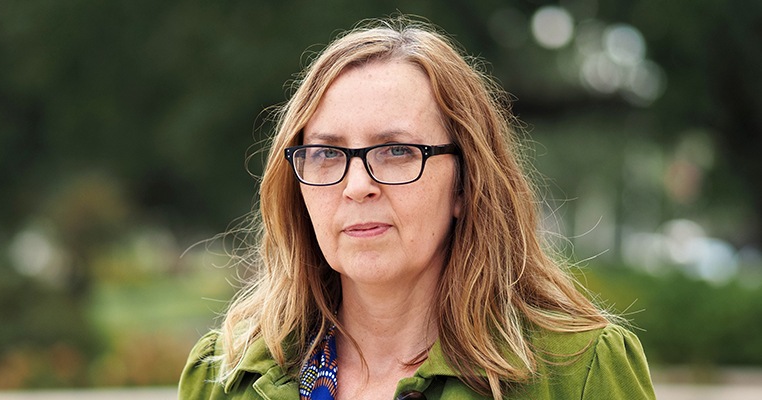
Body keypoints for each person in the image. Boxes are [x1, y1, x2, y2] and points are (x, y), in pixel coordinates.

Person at [178, 17, 656, 400]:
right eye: (326, 154)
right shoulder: (224, 376)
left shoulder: (578, 373)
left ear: (466, 184)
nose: (357, 185)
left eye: (397, 151)